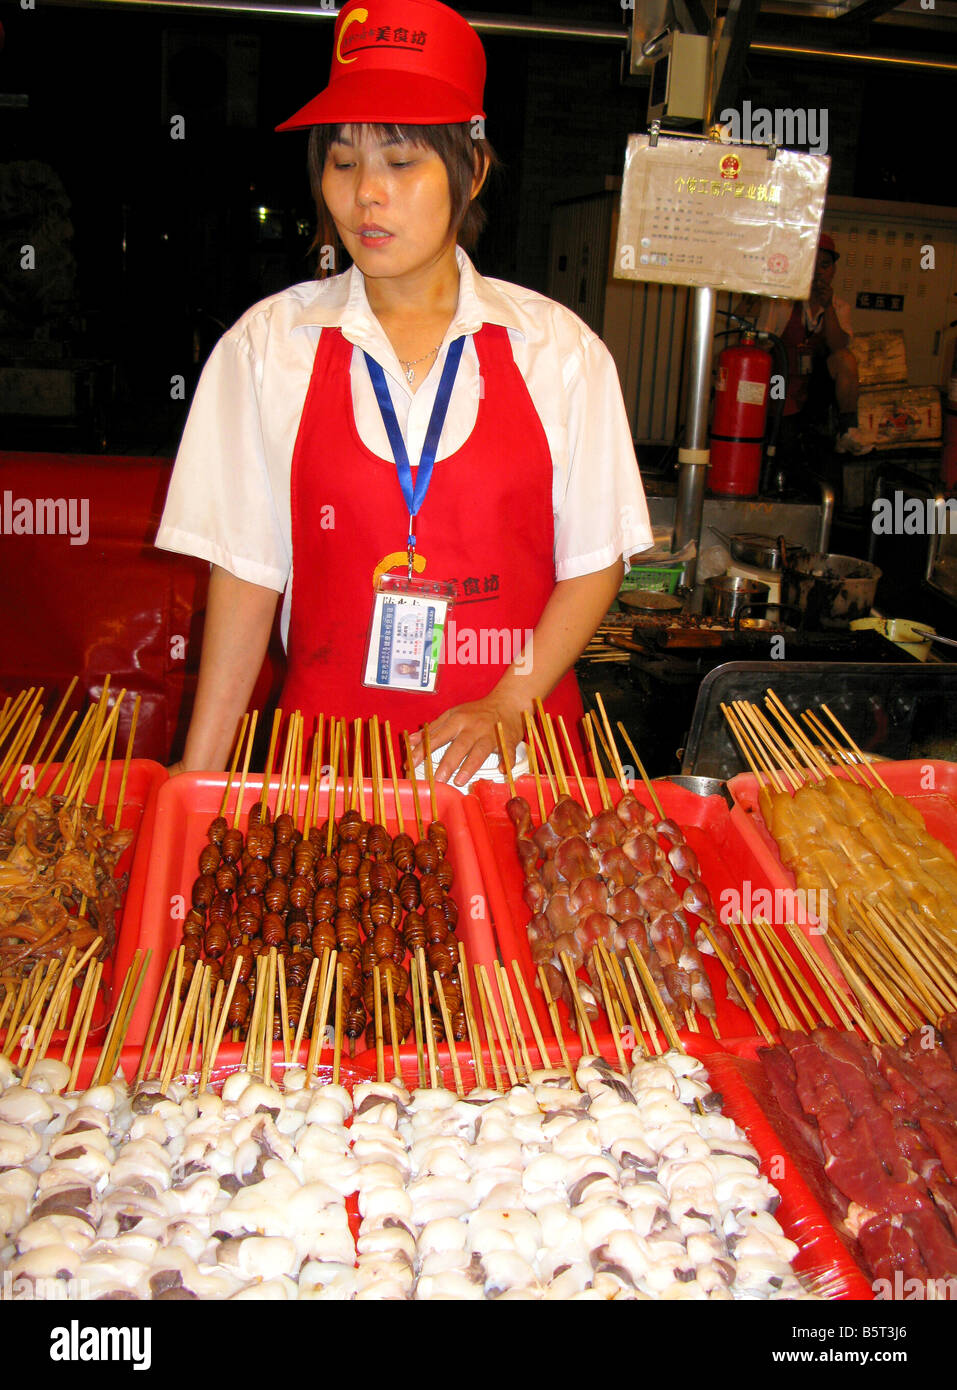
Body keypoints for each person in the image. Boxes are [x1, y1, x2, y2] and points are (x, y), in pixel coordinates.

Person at [156, 0, 652, 787]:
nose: (364, 197)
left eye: (400, 160)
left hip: (515, 770)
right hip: (328, 776)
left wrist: (511, 698)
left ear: (472, 168)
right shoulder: (266, 347)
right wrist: (196, 774)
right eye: (342, 161)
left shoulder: (557, 350)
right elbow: (247, 575)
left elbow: (596, 558)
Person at [739, 233, 872, 467]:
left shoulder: (839, 307)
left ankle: (848, 429)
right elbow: (762, 344)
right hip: (782, 379)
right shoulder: (780, 302)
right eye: (813, 265)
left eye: (825, 265)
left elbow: (839, 346)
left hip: (815, 384)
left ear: (833, 270)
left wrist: (827, 306)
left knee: (846, 359)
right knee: (783, 433)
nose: (819, 272)